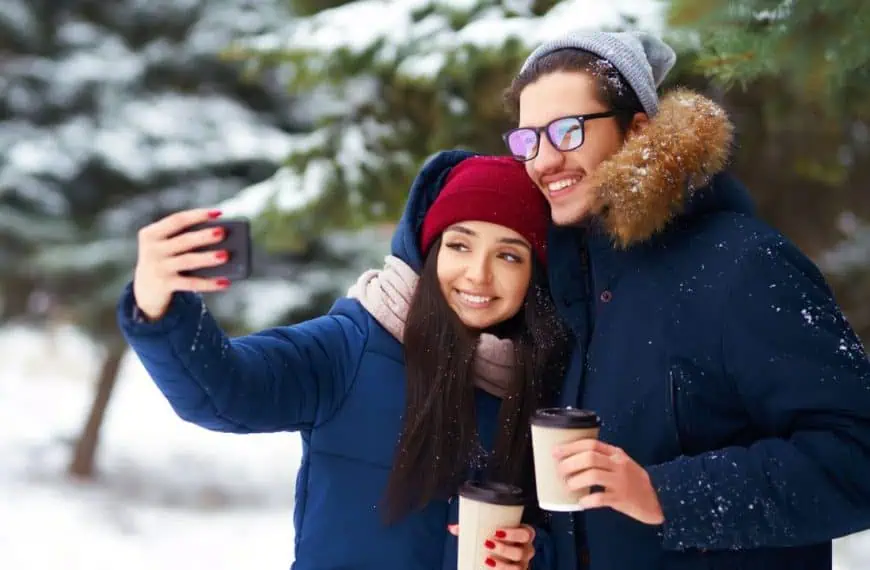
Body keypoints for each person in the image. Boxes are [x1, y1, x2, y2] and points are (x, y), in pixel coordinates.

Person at [500, 30, 870, 570]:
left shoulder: (743, 265)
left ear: (639, 128)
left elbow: (857, 457)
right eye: (527, 139)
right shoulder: (563, 283)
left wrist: (668, 496)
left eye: (567, 130)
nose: (544, 160)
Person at [117, 153, 573, 570]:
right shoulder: (353, 344)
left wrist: (534, 553)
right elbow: (224, 391)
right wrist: (158, 304)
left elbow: (576, 538)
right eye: (459, 245)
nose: (478, 273)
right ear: (429, 249)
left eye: (509, 255)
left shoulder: (551, 384)